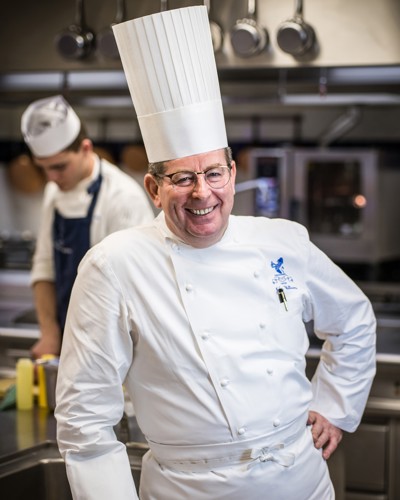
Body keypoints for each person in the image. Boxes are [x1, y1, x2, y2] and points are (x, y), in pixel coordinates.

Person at [55, 6, 376, 500]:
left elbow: (353, 320)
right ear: (153, 188)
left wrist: (335, 404)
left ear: (231, 171)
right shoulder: (113, 267)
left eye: (213, 173)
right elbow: (85, 421)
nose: (202, 193)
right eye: (182, 178)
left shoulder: (282, 243)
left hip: (301, 481)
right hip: (189, 488)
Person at [21, 95, 154, 359]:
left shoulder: (123, 198)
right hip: (68, 341)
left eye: (59, 167)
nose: (52, 178)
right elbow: (45, 267)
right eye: (44, 169)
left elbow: (133, 293)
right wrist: (50, 334)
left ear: (85, 148)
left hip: (113, 347)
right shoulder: (53, 193)